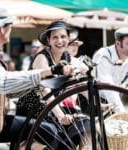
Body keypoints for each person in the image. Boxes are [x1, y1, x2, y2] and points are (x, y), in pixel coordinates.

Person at [0, 8, 74, 150]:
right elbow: (1, 82)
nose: (11, 29)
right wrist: (45, 72)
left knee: (46, 130)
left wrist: (39, 80)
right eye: (10, 26)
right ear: (3, 29)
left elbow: (9, 93)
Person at [16, 20, 91, 149]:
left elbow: (78, 81)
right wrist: (60, 115)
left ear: (68, 39)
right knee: (54, 136)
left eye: (63, 37)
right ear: (48, 40)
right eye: (55, 37)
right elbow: (45, 91)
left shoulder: (67, 57)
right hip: (33, 113)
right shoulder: (42, 58)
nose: (59, 41)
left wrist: (97, 100)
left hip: (51, 113)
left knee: (86, 125)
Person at [93, 27, 128, 113]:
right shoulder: (103, 56)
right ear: (118, 44)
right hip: (96, 103)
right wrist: (122, 114)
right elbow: (108, 88)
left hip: (116, 101)